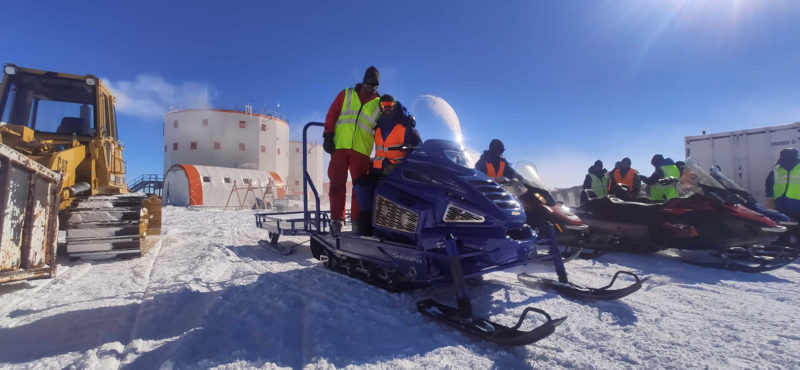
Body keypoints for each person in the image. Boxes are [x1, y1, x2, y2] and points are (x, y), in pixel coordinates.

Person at [323, 66, 381, 234]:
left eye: (374, 85)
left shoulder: (379, 104)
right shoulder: (346, 94)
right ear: (363, 81)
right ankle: (337, 220)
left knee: (360, 188)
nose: (370, 87)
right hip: (340, 146)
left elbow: (386, 122)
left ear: (377, 86)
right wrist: (328, 134)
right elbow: (332, 114)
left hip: (361, 150)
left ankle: (357, 222)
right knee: (336, 184)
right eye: (368, 83)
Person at [372, 95, 421, 173]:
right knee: (359, 184)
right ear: (380, 107)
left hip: (398, 173)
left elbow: (419, 151)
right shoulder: (377, 127)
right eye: (384, 104)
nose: (387, 107)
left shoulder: (405, 127)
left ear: (394, 105)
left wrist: (397, 166)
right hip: (377, 171)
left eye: (390, 104)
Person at [765, 148, 800, 221]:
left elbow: (769, 196)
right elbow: (769, 194)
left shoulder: (775, 171)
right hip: (781, 210)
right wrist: (772, 211)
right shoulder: (775, 171)